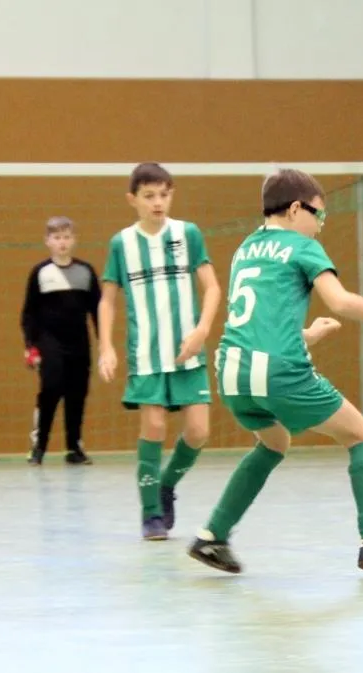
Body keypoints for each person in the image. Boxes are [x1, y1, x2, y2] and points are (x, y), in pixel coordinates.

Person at [187, 168, 363, 577]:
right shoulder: (302, 246)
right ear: (296, 209)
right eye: (319, 215)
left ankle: (213, 535)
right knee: (361, 435)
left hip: (232, 371)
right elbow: (340, 301)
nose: (321, 225)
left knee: (273, 442)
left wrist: (306, 335)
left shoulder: (246, 247)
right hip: (279, 372)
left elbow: (259, 319)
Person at [97, 162, 222, 541]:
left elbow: (212, 287)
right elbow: (107, 300)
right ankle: (150, 513)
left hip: (188, 352)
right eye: (149, 196)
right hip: (147, 355)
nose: (157, 202)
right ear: (132, 199)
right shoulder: (122, 244)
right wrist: (106, 347)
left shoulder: (188, 234)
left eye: (164, 195)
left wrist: (202, 330)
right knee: (153, 426)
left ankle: (165, 485)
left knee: (198, 432)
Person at [21, 216, 100, 466]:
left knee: (77, 394)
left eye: (66, 237)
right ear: (48, 241)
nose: (62, 242)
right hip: (49, 342)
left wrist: (104, 344)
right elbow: (29, 313)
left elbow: (98, 311)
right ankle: (39, 447)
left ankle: (74, 448)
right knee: (51, 389)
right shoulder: (40, 272)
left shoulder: (86, 271)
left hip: (79, 343)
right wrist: (30, 346)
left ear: (74, 240)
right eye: (57, 237)